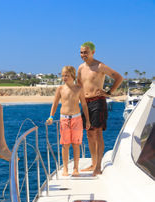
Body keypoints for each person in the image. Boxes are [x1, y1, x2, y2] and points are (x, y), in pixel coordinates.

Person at [77, 42, 123, 176]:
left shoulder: (100, 66)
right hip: (85, 103)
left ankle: (98, 166)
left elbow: (119, 77)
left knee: (97, 133)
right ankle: (93, 163)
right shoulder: (80, 68)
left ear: (92, 52)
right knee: (89, 133)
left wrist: (109, 92)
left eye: (85, 52)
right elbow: (79, 85)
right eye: (81, 52)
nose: (83, 55)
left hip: (98, 102)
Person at [47, 66, 90, 176]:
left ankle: (76, 169)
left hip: (77, 119)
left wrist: (88, 120)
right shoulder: (60, 89)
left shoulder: (79, 88)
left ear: (72, 75)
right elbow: (55, 103)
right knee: (65, 145)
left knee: (76, 144)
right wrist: (51, 117)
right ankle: (65, 168)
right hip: (64, 119)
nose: (64, 77)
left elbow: (84, 105)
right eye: (62, 75)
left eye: (66, 75)